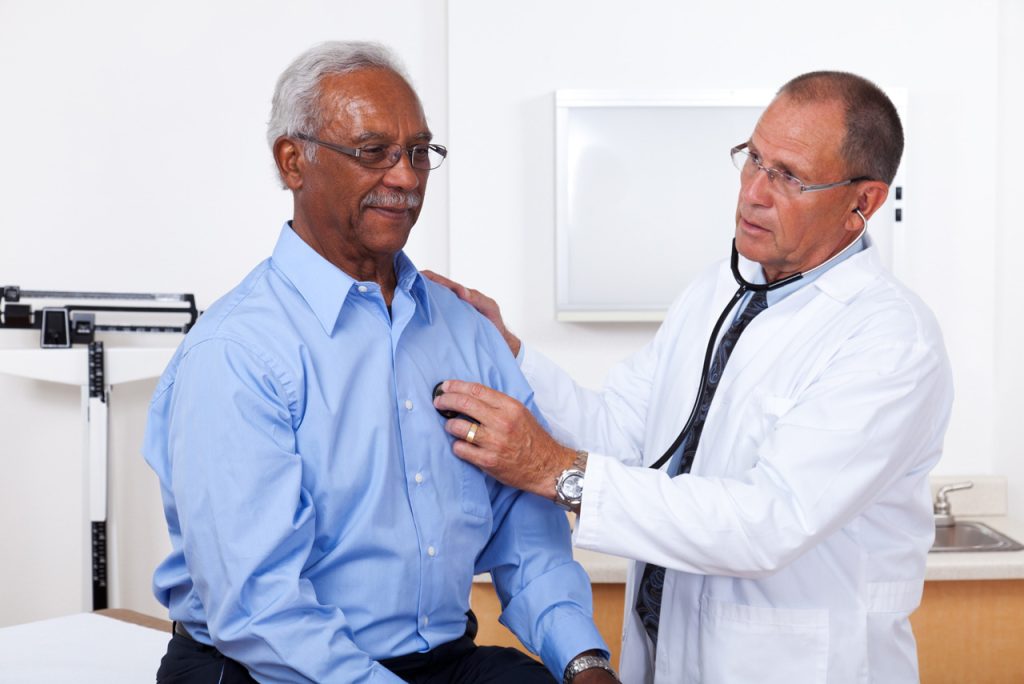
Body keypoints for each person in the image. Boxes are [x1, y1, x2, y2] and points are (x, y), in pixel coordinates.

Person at [429, 71, 954, 683]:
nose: (753, 192)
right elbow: (624, 434)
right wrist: (513, 355)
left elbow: (767, 522)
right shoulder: (715, 292)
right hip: (672, 657)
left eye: (788, 177)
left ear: (863, 202)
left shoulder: (891, 339)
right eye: (753, 158)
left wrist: (554, 471)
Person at [143, 41, 617, 684]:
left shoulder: (466, 330)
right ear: (293, 161)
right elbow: (261, 610)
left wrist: (584, 661)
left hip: (441, 659)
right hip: (265, 667)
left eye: (418, 152)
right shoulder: (236, 353)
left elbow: (526, 531)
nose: (406, 178)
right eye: (373, 153)